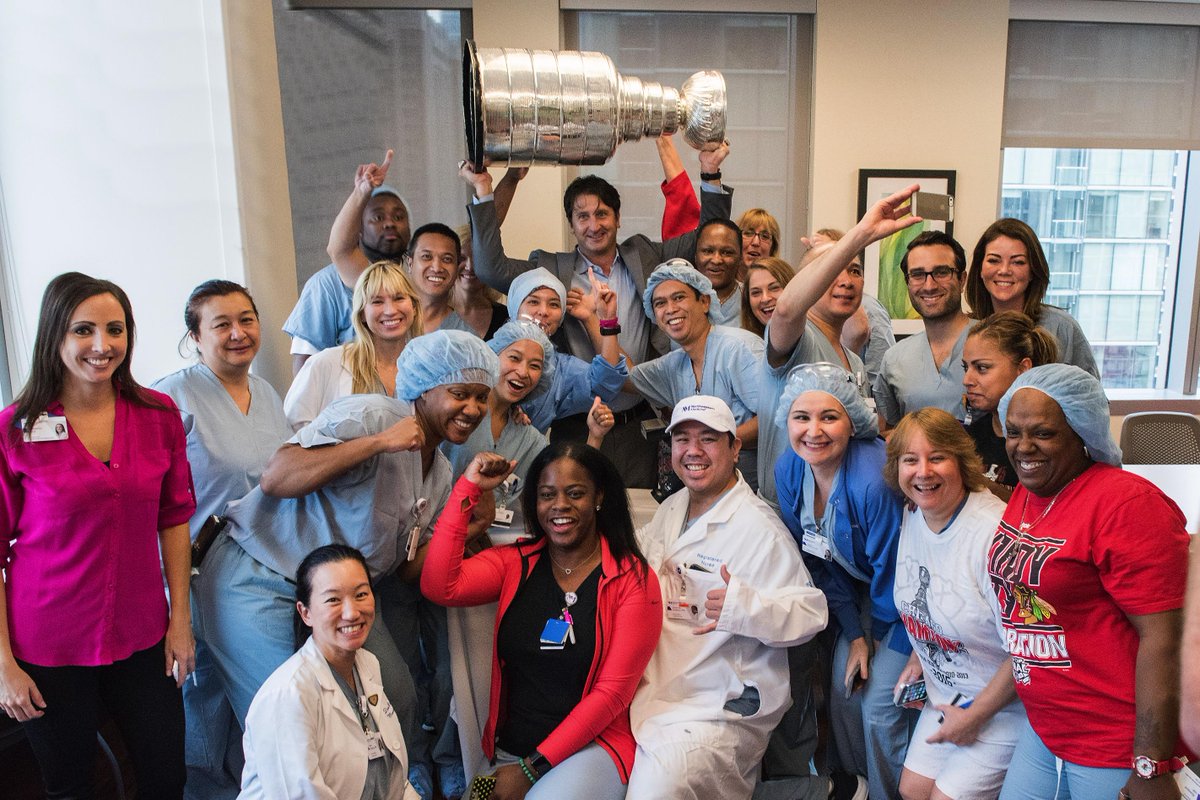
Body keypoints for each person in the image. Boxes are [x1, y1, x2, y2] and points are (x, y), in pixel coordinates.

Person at [192, 330, 498, 739]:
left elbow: (409, 571)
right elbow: (277, 476)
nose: (473, 408)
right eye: (460, 392)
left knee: (394, 697)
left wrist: (469, 525)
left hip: (339, 597)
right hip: (262, 575)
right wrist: (376, 444)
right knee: (289, 723)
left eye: (482, 397)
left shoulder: (439, 474)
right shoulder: (374, 415)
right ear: (424, 389)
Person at [0, 272, 196, 798]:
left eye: (116, 329)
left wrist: (181, 621)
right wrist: (2, 665)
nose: (102, 345)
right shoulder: (15, 428)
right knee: (70, 786)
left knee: (165, 776)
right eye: (84, 330)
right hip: (47, 642)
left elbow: (174, 518)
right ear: (55, 337)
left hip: (142, 634)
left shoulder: (158, 415)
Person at [461, 145, 732, 488]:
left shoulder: (646, 255)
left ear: (618, 219)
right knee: (575, 514)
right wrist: (484, 190)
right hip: (575, 425)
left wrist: (709, 174)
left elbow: (710, 239)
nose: (593, 225)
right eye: (582, 216)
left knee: (635, 519)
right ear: (572, 225)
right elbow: (489, 266)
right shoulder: (550, 270)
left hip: (640, 424)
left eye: (602, 214)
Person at [990, 364, 1190, 800]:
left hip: (1113, 744)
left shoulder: (1128, 505)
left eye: (1043, 433)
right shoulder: (1031, 488)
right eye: (1013, 431)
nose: (1024, 447)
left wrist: (1150, 766)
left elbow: (1164, 640)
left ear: (1082, 433)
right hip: (1046, 728)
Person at [422, 444, 662, 800]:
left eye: (575, 493)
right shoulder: (516, 562)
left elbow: (611, 696)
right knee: (476, 797)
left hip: (590, 749)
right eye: (547, 495)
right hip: (510, 752)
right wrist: (468, 488)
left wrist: (530, 769)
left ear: (599, 496)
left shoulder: (633, 580)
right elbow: (439, 584)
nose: (560, 505)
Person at [439, 321, 616, 783]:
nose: (523, 371)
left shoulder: (530, 436)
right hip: (446, 553)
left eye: (536, 365)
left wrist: (594, 441)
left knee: (486, 670)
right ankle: (450, 765)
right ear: (489, 355)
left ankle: (479, 761)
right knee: (444, 674)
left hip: (496, 566)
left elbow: (561, 490)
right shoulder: (455, 419)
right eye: (513, 358)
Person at [627, 396, 828, 800]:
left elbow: (811, 612)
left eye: (708, 439)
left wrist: (745, 607)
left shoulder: (758, 528)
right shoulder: (674, 506)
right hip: (659, 686)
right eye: (682, 439)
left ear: (736, 448)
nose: (693, 451)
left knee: (658, 790)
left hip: (718, 703)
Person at [153, 279, 292, 799]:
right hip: (199, 568)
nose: (238, 333)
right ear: (195, 336)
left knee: (246, 699)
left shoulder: (269, 392)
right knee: (205, 695)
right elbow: (156, 498)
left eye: (247, 319)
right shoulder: (171, 398)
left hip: (264, 564)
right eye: (221, 324)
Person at [774, 363, 914, 800]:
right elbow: (815, 561)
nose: (813, 431)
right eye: (801, 417)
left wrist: (867, 635)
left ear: (852, 422)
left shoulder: (873, 482)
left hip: (906, 605)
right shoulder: (790, 469)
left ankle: (894, 793)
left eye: (828, 417)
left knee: (876, 706)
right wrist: (853, 633)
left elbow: (897, 575)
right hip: (855, 597)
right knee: (842, 693)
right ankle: (855, 790)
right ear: (787, 420)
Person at [883, 409, 1025, 800]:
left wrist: (975, 718)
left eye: (938, 457)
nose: (923, 471)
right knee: (912, 789)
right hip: (949, 693)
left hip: (1004, 706)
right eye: (910, 460)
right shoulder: (915, 514)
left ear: (962, 462)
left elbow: (1026, 649)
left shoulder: (992, 536)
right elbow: (926, 599)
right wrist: (920, 655)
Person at [758, 185, 922, 508]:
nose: (846, 280)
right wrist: (861, 234)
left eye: (855, 271)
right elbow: (788, 308)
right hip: (786, 518)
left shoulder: (853, 361)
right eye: (833, 269)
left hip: (839, 520)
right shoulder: (796, 340)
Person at [239, 545, 421, 800]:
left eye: (360, 595)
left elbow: (391, 779)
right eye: (333, 599)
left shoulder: (367, 664)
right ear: (306, 612)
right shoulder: (288, 696)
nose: (351, 612)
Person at [630, 260, 764, 488]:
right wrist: (604, 320)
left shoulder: (738, 348)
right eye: (660, 303)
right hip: (707, 492)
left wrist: (716, 443)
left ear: (704, 301)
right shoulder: (676, 363)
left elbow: (775, 420)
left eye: (679, 297)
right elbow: (619, 377)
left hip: (751, 491)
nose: (670, 309)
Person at [284, 151, 412, 375]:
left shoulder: (415, 277)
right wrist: (362, 191)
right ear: (358, 229)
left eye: (399, 217)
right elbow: (305, 370)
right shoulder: (325, 285)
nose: (390, 224)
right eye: (378, 217)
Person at [284, 260, 423, 430]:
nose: (390, 310)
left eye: (399, 298)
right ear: (362, 313)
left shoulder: (426, 369)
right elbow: (292, 433)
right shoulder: (326, 364)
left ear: (414, 307)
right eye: (377, 301)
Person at [964, 218, 1099, 377]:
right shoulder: (967, 329)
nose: (1004, 270)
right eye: (994, 260)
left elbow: (1092, 398)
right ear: (980, 269)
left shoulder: (1062, 327)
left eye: (1018, 262)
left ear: (1033, 271)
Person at [504, 267, 627, 433]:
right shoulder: (486, 353)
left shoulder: (560, 369)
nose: (543, 311)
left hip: (527, 455)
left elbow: (606, 381)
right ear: (515, 306)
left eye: (554, 304)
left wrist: (607, 320)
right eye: (533, 302)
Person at [873, 231, 972, 431]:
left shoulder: (992, 342)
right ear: (908, 283)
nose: (929, 285)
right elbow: (890, 434)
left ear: (962, 280)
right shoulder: (895, 359)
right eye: (917, 275)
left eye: (941, 272)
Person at [960, 311, 1058, 501]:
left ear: (1022, 369)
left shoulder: (1051, 442)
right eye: (966, 368)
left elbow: (1043, 510)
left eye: (982, 368)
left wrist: (984, 485)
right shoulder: (970, 438)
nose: (967, 380)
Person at [407, 223, 474, 334]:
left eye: (447, 259)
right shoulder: (390, 319)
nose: (437, 268)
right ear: (410, 264)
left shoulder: (465, 337)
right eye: (426, 257)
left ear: (457, 267)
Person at [452, 223, 509, 339]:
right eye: (462, 258)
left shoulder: (507, 318)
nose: (469, 267)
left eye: (478, 259)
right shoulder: (432, 312)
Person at [694, 218, 744, 326]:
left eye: (727, 252)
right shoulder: (680, 301)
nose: (716, 260)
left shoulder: (753, 300)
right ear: (695, 256)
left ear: (740, 259)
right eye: (708, 251)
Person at [740, 256, 794, 338]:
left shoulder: (809, 336)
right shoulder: (743, 343)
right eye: (756, 292)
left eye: (774, 288)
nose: (765, 299)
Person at [738, 208, 782, 272]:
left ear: (772, 248)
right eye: (748, 233)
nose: (756, 242)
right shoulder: (721, 280)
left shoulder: (784, 281)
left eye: (765, 236)